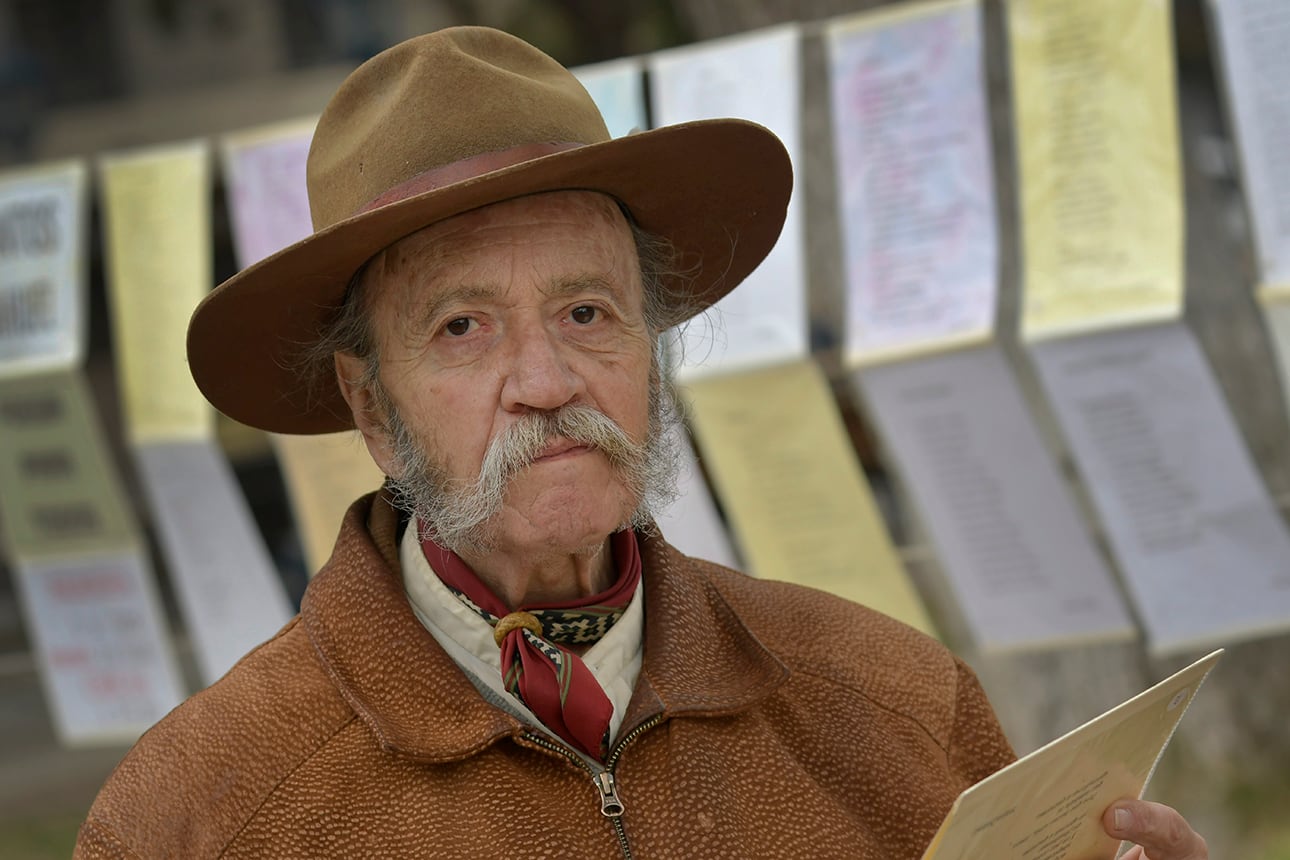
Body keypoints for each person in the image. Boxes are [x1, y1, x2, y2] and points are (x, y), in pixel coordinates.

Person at [75, 26, 1208, 859]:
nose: (548, 382)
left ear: (648, 347)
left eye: (586, 312)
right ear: (374, 407)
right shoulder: (198, 812)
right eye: (464, 328)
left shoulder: (896, 699)